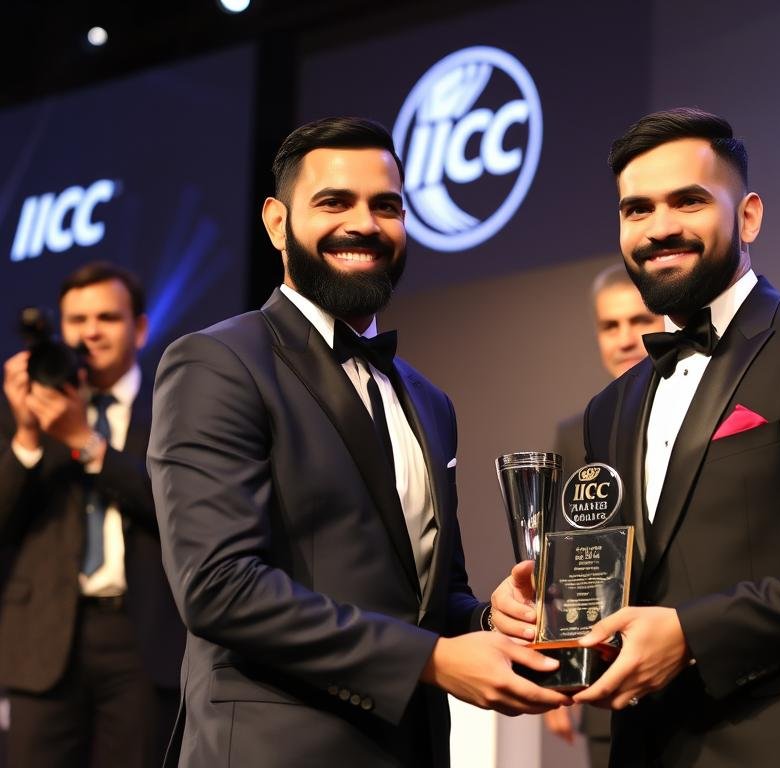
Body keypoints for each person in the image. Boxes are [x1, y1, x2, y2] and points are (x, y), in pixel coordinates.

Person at [492, 107, 780, 767]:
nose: (660, 227)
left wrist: (692, 634)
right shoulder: (611, 407)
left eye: (688, 201)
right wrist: (548, 606)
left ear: (747, 215)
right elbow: (622, 584)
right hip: (651, 748)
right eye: (637, 210)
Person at [147, 117, 569, 768]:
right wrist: (430, 659)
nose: (365, 224)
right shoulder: (216, 362)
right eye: (334, 202)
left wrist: (490, 620)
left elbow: (427, 598)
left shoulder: (429, 401)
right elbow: (219, 586)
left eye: (387, 206)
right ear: (276, 221)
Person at [0, 262, 184, 767]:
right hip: (43, 635)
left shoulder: (176, 404)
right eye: (77, 320)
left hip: (143, 637)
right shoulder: (28, 408)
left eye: (107, 317)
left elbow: (181, 509)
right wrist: (27, 438)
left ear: (140, 328)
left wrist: (84, 441)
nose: (91, 332)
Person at [545, 264, 662, 767]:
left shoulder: (704, 414)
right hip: (604, 680)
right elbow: (567, 560)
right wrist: (561, 669)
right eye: (610, 326)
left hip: (697, 665)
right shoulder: (575, 435)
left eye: (639, 320)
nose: (625, 339)